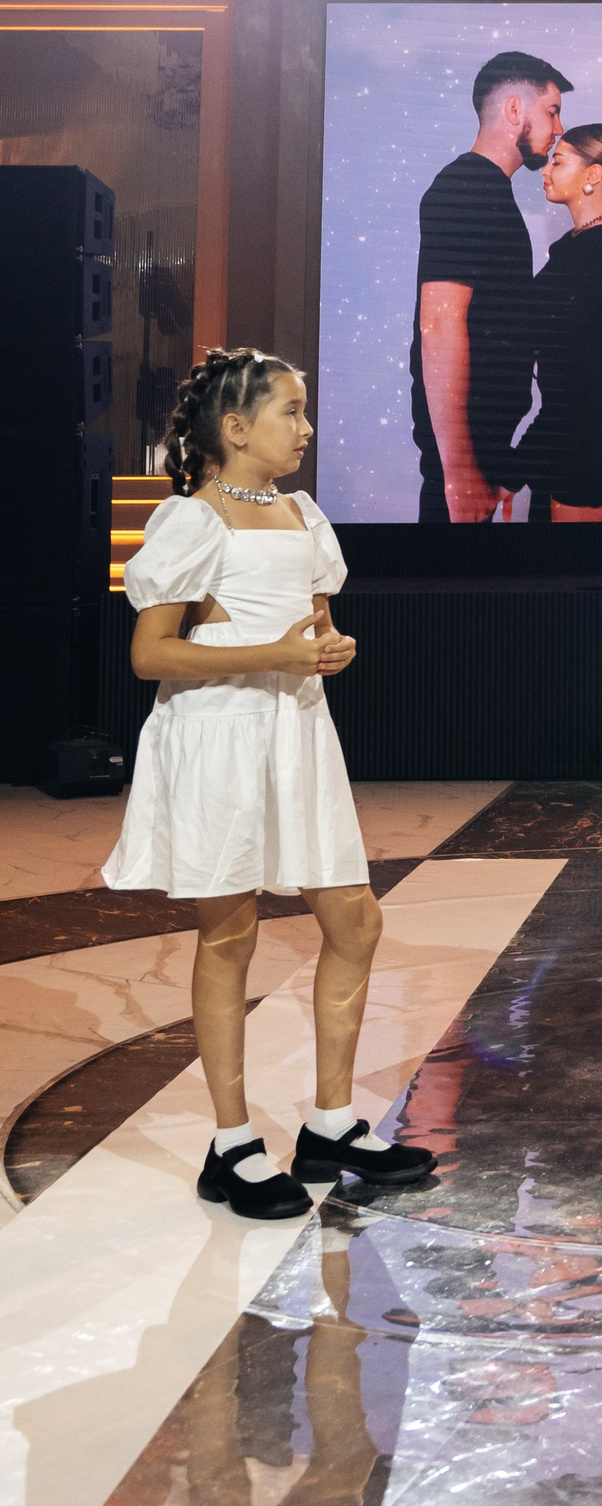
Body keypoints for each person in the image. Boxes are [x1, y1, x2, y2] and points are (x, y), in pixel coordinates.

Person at [108, 350, 434, 1218]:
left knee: (355, 919)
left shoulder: (303, 515)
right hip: (219, 736)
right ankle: (232, 1144)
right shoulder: (192, 520)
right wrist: (277, 654)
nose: (306, 428)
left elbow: (313, 626)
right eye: (290, 411)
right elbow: (149, 654)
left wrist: (327, 647)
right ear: (236, 427)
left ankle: (330, 1125)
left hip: (297, 729)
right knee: (229, 933)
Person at [411, 51, 571, 524]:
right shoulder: (465, 187)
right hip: (466, 461)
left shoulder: (487, 190)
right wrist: (459, 471)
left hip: (483, 450)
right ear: (515, 109)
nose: (559, 128)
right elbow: (439, 326)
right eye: (552, 111)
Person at [516, 122, 602, 524]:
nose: (545, 170)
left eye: (558, 161)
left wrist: (516, 467)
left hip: (588, 430)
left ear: (593, 174)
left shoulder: (597, 253)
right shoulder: (582, 247)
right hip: (587, 426)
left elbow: (576, 377)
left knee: (569, 564)